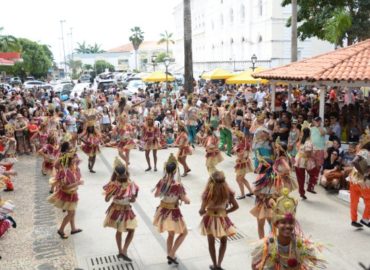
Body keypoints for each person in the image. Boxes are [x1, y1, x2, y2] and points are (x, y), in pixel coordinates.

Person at [251, 188, 326, 270]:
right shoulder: (266, 245)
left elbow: (316, 264)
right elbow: (255, 266)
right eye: (283, 222)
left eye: (291, 222)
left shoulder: (301, 245)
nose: (287, 226)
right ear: (276, 224)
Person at [153, 154, 190, 265]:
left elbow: (156, 195)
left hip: (163, 210)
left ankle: (171, 255)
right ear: (175, 171)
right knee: (184, 232)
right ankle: (171, 254)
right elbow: (185, 199)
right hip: (173, 212)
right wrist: (187, 200)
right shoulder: (178, 185)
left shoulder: (161, 181)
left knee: (171, 234)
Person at [199, 170, 239, 270]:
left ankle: (214, 264)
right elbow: (236, 206)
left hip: (210, 219)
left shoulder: (207, 194)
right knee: (223, 242)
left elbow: (201, 210)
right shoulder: (227, 192)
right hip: (223, 219)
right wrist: (226, 211)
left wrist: (203, 212)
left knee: (211, 243)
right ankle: (219, 264)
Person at [103, 157, 139, 261]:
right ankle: (124, 250)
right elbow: (133, 200)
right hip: (126, 210)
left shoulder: (113, 184)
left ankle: (121, 251)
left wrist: (112, 194)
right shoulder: (132, 184)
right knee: (131, 230)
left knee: (119, 231)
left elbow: (106, 199)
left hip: (115, 210)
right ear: (126, 171)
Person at [48, 142, 83, 239]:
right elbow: (64, 187)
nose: (76, 159)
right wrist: (77, 183)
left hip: (72, 193)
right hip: (68, 194)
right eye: (74, 159)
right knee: (71, 213)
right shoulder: (64, 172)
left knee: (72, 211)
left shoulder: (73, 168)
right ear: (69, 160)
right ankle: (61, 230)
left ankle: (73, 228)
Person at [250, 154, 276, 239]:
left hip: (261, 204)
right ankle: (273, 242)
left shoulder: (261, 177)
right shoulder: (275, 177)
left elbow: (255, 191)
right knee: (272, 225)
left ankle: (262, 244)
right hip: (271, 203)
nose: (259, 165)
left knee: (261, 225)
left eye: (261, 163)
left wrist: (259, 194)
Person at [348, 129, 370, 228]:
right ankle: (365, 218)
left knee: (354, 200)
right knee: (369, 200)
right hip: (361, 181)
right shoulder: (365, 152)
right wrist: (363, 173)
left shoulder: (361, 150)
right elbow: (355, 161)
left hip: (353, 179)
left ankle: (353, 220)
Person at [294, 124, 317, 199]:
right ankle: (310, 187)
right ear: (309, 133)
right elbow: (308, 153)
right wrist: (314, 157)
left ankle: (301, 192)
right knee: (314, 173)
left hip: (298, 159)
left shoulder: (301, 141)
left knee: (300, 178)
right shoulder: (308, 142)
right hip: (306, 160)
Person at [233, 130, 253, 199]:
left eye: (236, 137)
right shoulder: (245, 143)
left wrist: (235, 150)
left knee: (238, 179)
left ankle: (242, 195)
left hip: (242, 163)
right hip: (244, 163)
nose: (235, 138)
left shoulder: (242, 145)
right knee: (242, 178)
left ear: (239, 138)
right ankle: (251, 191)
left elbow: (241, 155)